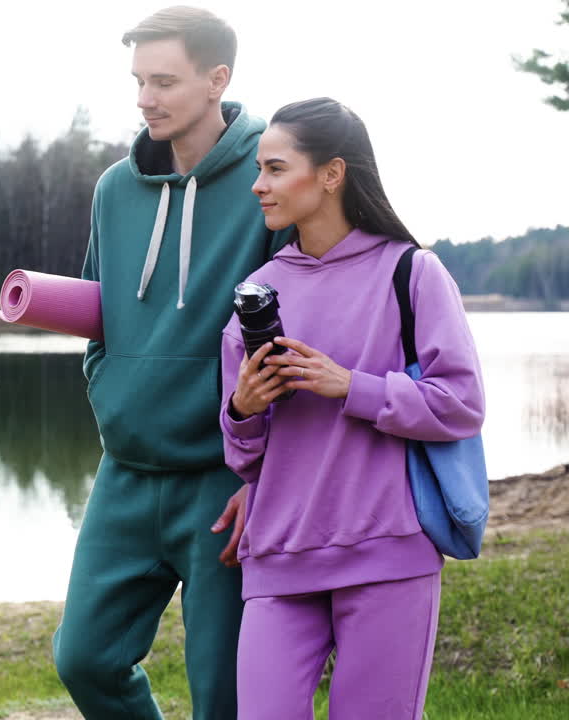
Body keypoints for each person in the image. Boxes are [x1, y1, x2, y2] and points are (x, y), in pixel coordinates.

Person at [51, 7, 289, 720]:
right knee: (84, 659)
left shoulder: (269, 180)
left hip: (223, 478)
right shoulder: (114, 190)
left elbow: (293, 332)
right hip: (124, 472)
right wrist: (109, 390)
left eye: (163, 81)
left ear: (218, 79)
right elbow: (99, 317)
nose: (144, 99)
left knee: (223, 691)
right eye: (138, 81)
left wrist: (267, 473)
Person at [220, 97, 485, 720]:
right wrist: (243, 407)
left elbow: (461, 404)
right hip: (278, 558)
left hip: (388, 555)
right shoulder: (258, 294)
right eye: (259, 170)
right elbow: (242, 456)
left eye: (277, 168)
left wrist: (352, 386)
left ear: (332, 173)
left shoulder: (412, 273)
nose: (260, 185)